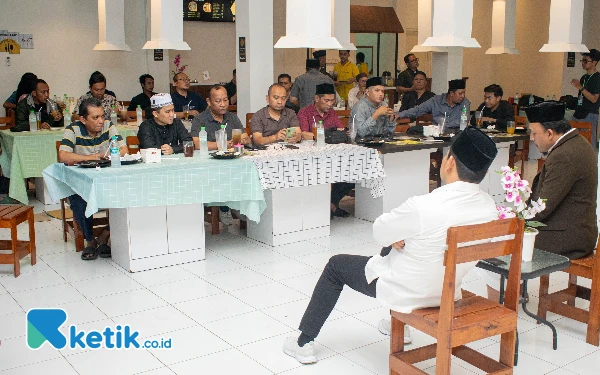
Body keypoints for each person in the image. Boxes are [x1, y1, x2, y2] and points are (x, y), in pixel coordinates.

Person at [283, 127, 499, 364]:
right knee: (393, 244)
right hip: (447, 290)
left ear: (449, 163)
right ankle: (398, 326)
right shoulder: (489, 207)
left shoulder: (424, 206)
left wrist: (397, 235)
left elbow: (379, 230)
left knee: (336, 266)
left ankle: (303, 343)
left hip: (408, 291)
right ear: (484, 172)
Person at [58, 98, 128, 261]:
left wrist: (109, 155)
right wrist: (92, 157)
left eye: (102, 116)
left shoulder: (108, 126)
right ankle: (90, 240)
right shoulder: (73, 130)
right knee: (78, 200)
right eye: (95, 118)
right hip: (81, 183)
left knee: (125, 196)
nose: (100, 121)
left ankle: (104, 236)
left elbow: (123, 149)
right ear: (83, 119)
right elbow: (63, 155)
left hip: (107, 180)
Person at [526, 101, 597, 258]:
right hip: (577, 230)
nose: (531, 138)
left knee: (501, 243)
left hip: (568, 238)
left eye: (534, 133)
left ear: (550, 133)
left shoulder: (563, 155)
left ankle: (510, 282)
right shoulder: (578, 142)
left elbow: (543, 206)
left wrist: (518, 220)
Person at [190, 85, 250, 226]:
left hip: (232, 161)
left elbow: (246, 138)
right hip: (210, 164)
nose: (223, 104)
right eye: (218, 101)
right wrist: (222, 144)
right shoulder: (200, 119)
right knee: (221, 176)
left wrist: (242, 140)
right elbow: (197, 144)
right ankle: (224, 207)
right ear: (209, 102)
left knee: (247, 173)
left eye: (225, 100)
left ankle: (239, 205)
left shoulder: (232, 118)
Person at [396, 79, 471, 130]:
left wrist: (440, 126)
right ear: (451, 93)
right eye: (460, 93)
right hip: (436, 135)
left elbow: (463, 122)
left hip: (456, 135)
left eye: (464, 93)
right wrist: (399, 114)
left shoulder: (465, 103)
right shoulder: (436, 100)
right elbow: (418, 110)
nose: (463, 96)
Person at [571, 48, 600, 149]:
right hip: (579, 112)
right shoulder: (583, 78)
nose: (583, 63)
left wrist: (580, 87)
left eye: (585, 60)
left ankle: (590, 164)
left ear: (594, 63)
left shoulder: (597, 78)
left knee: (588, 144)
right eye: (582, 60)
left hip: (589, 114)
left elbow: (594, 99)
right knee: (575, 142)